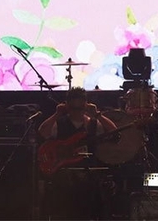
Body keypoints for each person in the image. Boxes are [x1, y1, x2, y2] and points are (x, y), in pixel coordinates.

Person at [38, 87, 117, 220]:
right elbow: (42, 132)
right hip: (65, 175)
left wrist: (98, 115)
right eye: (73, 109)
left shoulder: (93, 124)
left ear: (85, 106)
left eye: (79, 108)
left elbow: (114, 132)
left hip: (88, 174)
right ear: (67, 106)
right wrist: (57, 114)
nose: (76, 112)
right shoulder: (60, 123)